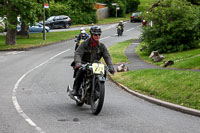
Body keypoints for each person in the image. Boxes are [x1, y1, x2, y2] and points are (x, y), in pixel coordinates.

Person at [71, 25, 115, 96]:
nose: (97, 36)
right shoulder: (84, 43)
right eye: (95, 34)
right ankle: (76, 89)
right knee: (81, 71)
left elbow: (107, 56)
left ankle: (98, 89)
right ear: (91, 34)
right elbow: (78, 53)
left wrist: (111, 67)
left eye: (99, 34)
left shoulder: (102, 46)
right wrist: (78, 63)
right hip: (84, 62)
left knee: (103, 71)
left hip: (95, 64)